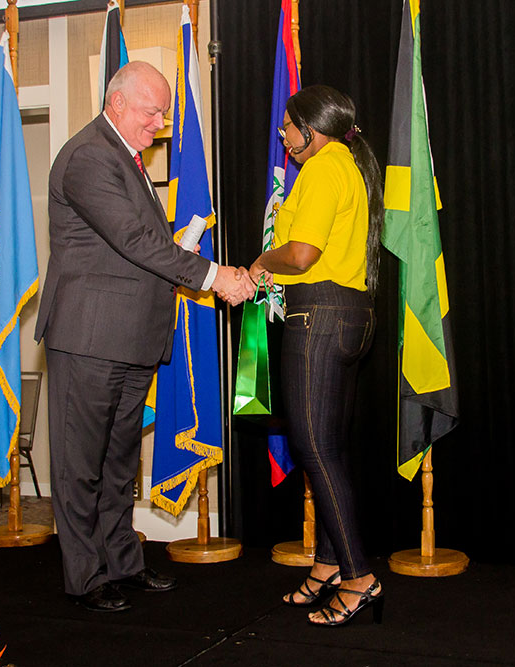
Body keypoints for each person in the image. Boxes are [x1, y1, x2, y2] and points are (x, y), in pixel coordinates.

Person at [34, 61, 254, 613]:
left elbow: (136, 245)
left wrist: (183, 251)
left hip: (131, 338)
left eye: (164, 114)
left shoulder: (125, 158)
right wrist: (213, 276)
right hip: (89, 338)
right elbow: (133, 240)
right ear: (117, 103)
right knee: (80, 464)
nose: (160, 124)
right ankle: (85, 577)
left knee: (118, 463)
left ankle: (123, 564)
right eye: (153, 112)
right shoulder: (89, 156)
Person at [248, 85, 384, 627]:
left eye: (288, 125)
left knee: (313, 448)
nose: (282, 135)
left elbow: (302, 254)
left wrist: (261, 263)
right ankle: (328, 564)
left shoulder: (325, 168)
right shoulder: (346, 164)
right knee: (329, 448)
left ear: (312, 127)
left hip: (320, 317)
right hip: (349, 315)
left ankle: (359, 578)